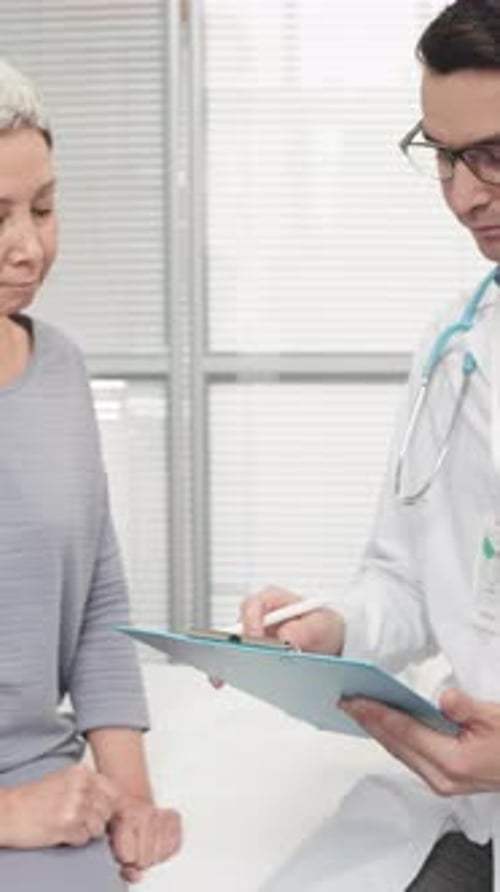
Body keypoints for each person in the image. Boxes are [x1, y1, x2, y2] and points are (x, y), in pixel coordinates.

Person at [239, 1, 500, 889]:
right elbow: (413, 583)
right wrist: (331, 628)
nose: (464, 195)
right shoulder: (454, 348)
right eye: (445, 157)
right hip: (476, 812)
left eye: (493, 154)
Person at [0, 59, 181, 889]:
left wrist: (130, 796)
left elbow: (98, 599)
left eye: (43, 207)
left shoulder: (61, 366)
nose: (27, 246)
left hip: (54, 790)